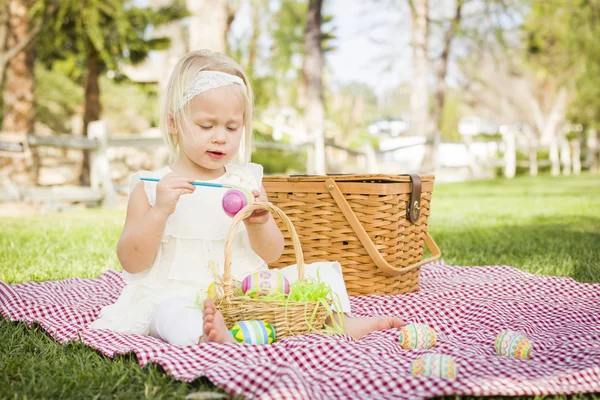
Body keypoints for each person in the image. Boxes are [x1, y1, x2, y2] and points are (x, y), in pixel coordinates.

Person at [89, 49, 403, 346]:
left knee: (322, 272)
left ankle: (338, 321)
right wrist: (159, 212)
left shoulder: (244, 181)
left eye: (232, 126)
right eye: (206, 125)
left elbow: (273, 252)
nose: (220, 136)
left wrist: (259, 224)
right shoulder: (152, 185)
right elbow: (131, 261)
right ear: (173, 122)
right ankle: (206, 334)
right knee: (169, 313)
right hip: (180, 293)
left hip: (247, 293)